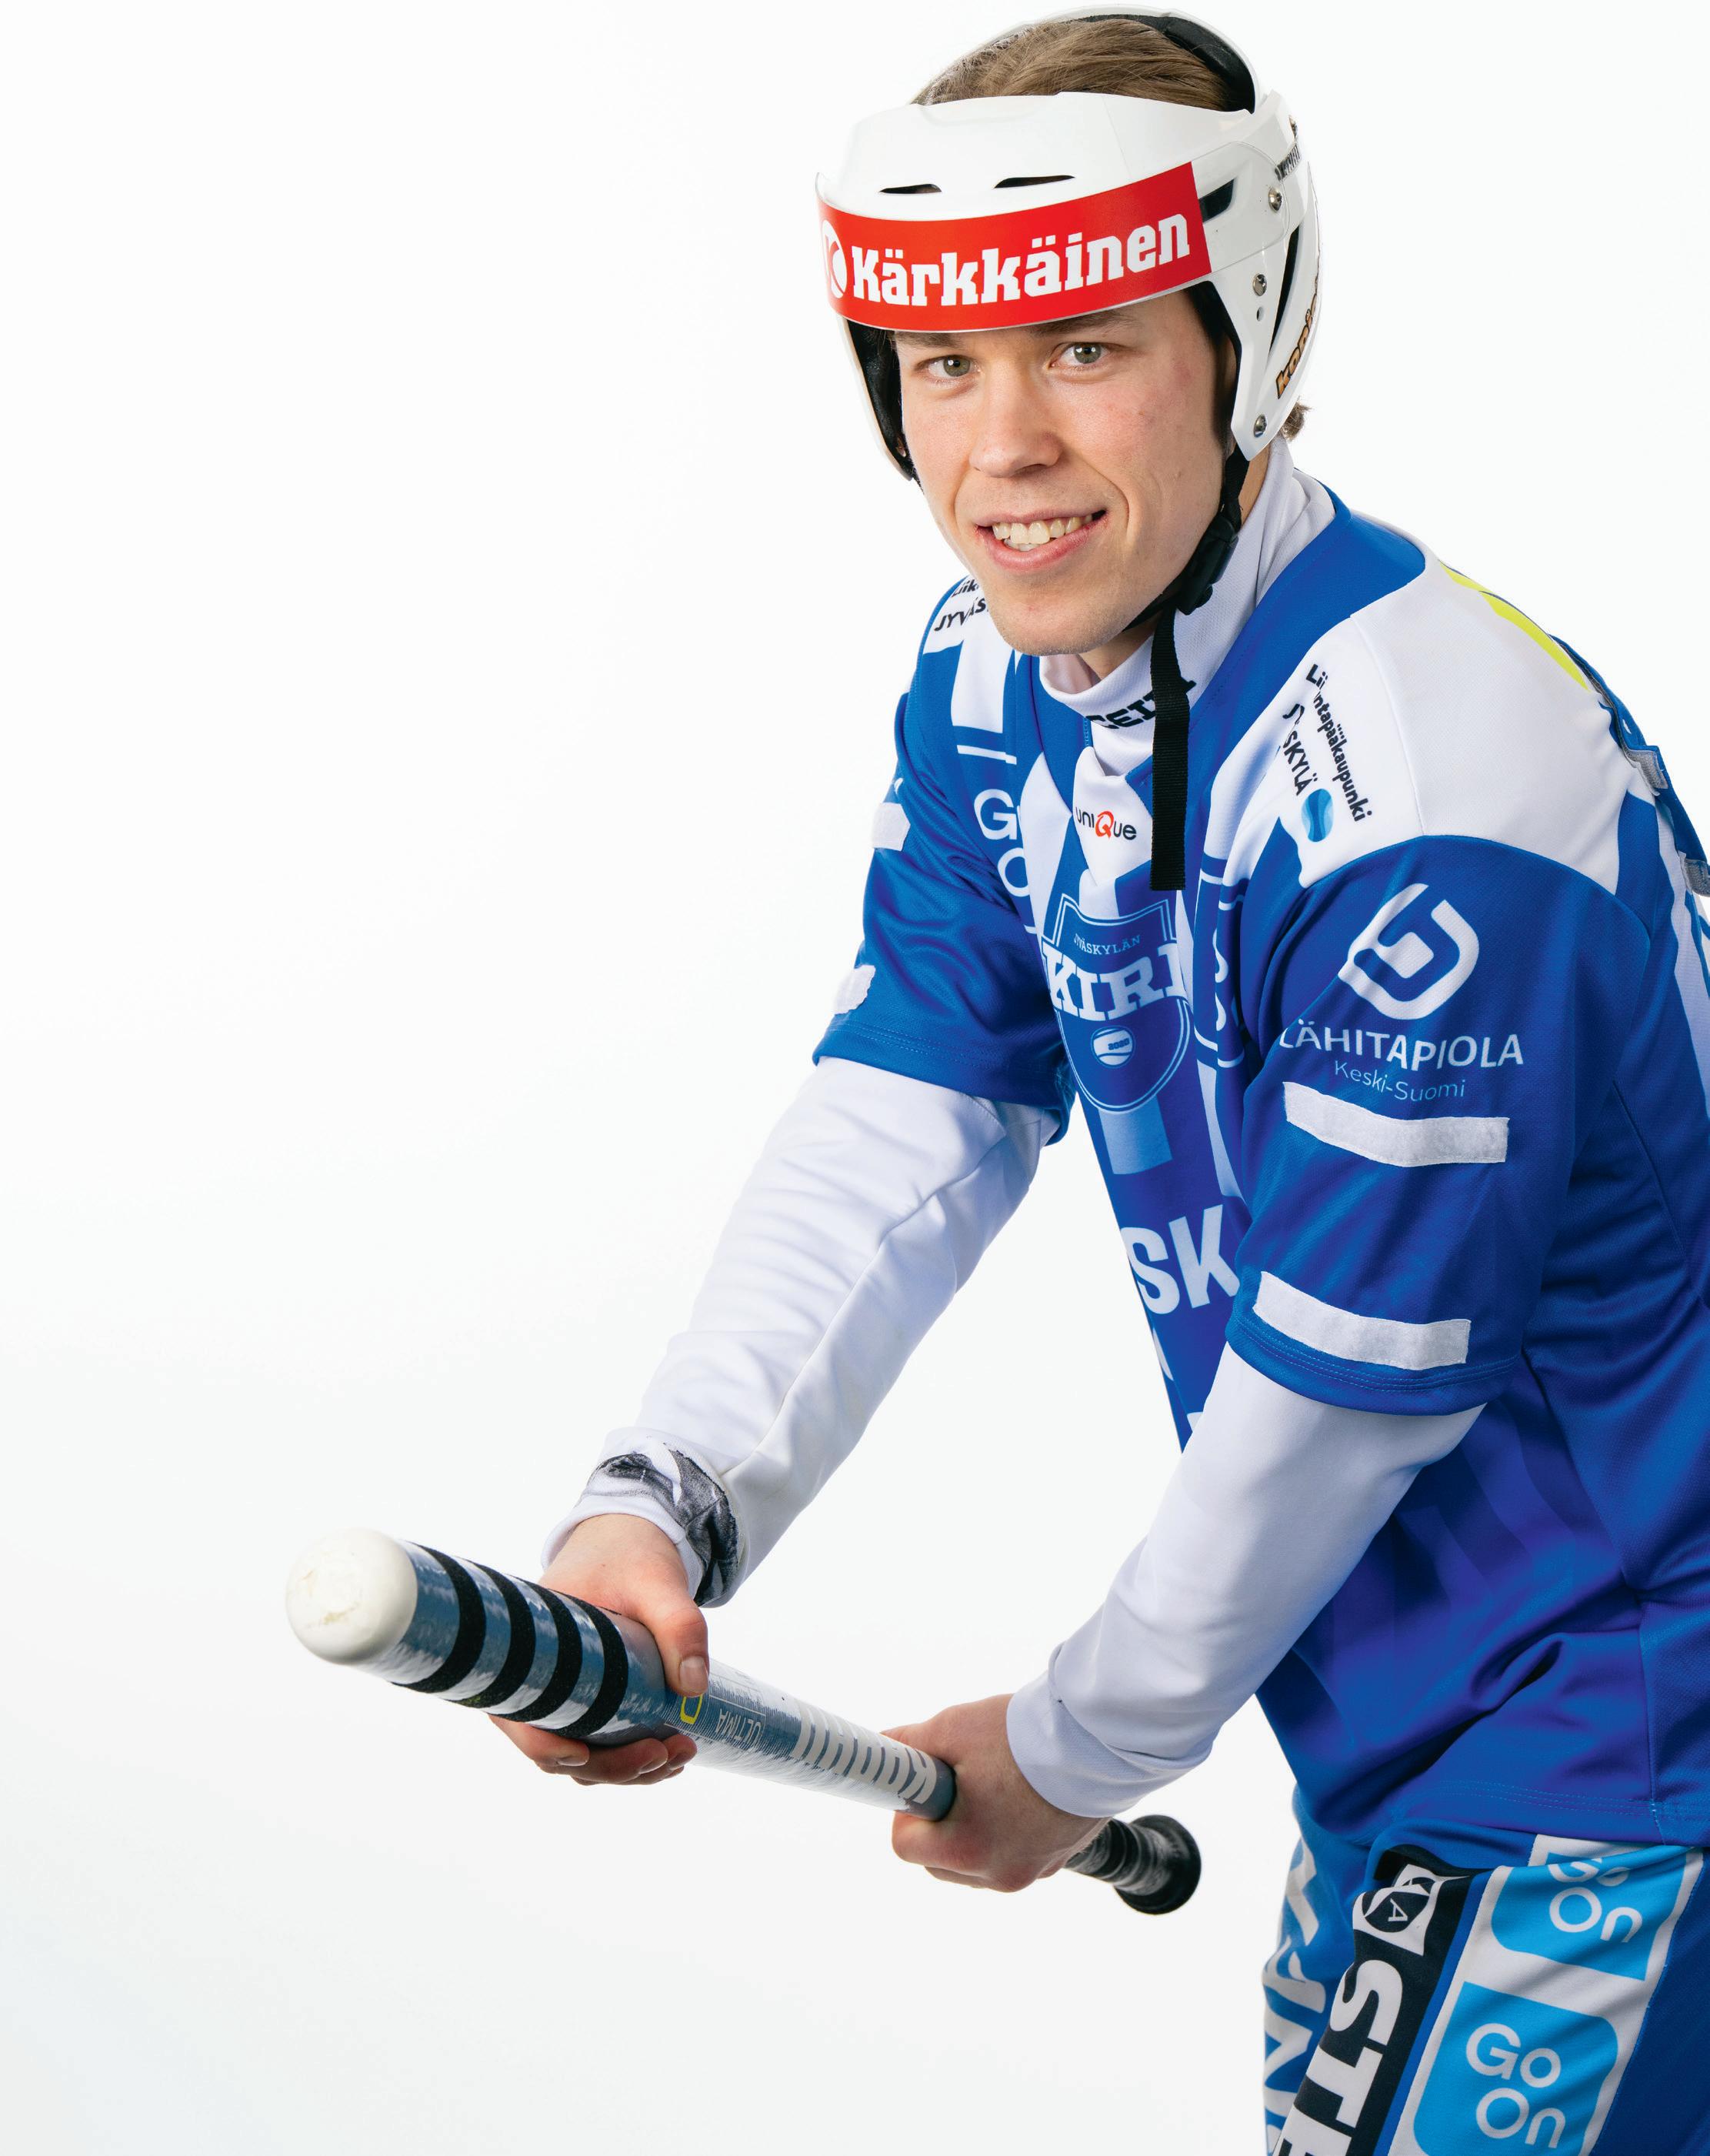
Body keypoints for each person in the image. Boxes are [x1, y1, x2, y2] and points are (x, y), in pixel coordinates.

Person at [496, 13, 1710, 2148]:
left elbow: (1345, 1392)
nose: (1004, 451)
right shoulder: (999, 688)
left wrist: (1076, 1747)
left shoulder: (1436, 793)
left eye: (1085, 347)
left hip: (1635, 1723)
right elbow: (912, 1107)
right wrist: (660, 1505)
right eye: (942, 364)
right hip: (1411, 1732)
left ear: (1249, 342)